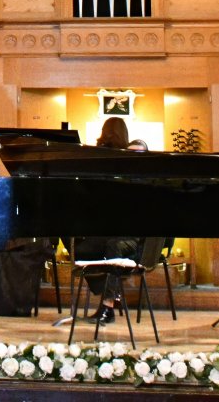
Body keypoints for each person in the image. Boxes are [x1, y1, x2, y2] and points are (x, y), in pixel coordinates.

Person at [74, 116, 137, 323]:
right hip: (113, 231)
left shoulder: (130, 163)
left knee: (112, 247)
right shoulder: (109, 163)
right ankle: (111, 290)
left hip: (131, 238)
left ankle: (108, 305)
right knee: (82, 248)